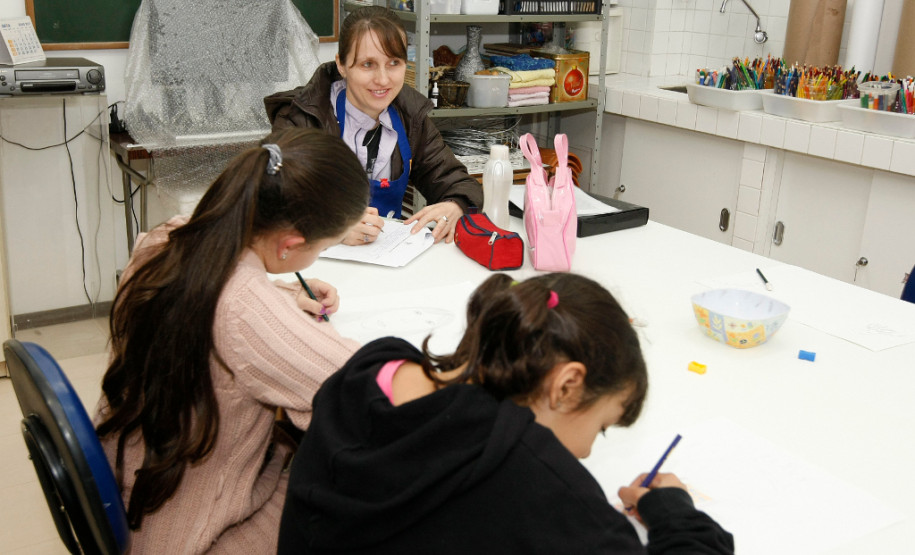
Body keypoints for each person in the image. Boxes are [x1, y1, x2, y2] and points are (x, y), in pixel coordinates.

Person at [277, 273, 735, 554]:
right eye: (600, 427)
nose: (588, 451)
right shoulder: (529, 476)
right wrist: (676, 514)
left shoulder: (373, 369)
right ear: (566, 384)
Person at [94, 128, 369, 553]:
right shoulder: (246, 313)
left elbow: (214, 298)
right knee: (371, 502)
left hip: (135, 489)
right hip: (191, 535)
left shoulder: (166, 237)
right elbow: (362, 388)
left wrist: (282, 294)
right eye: (324, 247)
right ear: (290, 245)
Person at [264, 6, 483, 247]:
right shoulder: (303, 119)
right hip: (317, 264)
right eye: (368, 64)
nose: (382, 79)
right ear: (342, 65)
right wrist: (329, 226)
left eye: (394, 62)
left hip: (387, 261)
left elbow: (458, 182)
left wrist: (456, 205)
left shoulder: (411, 118)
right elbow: (267, 197)